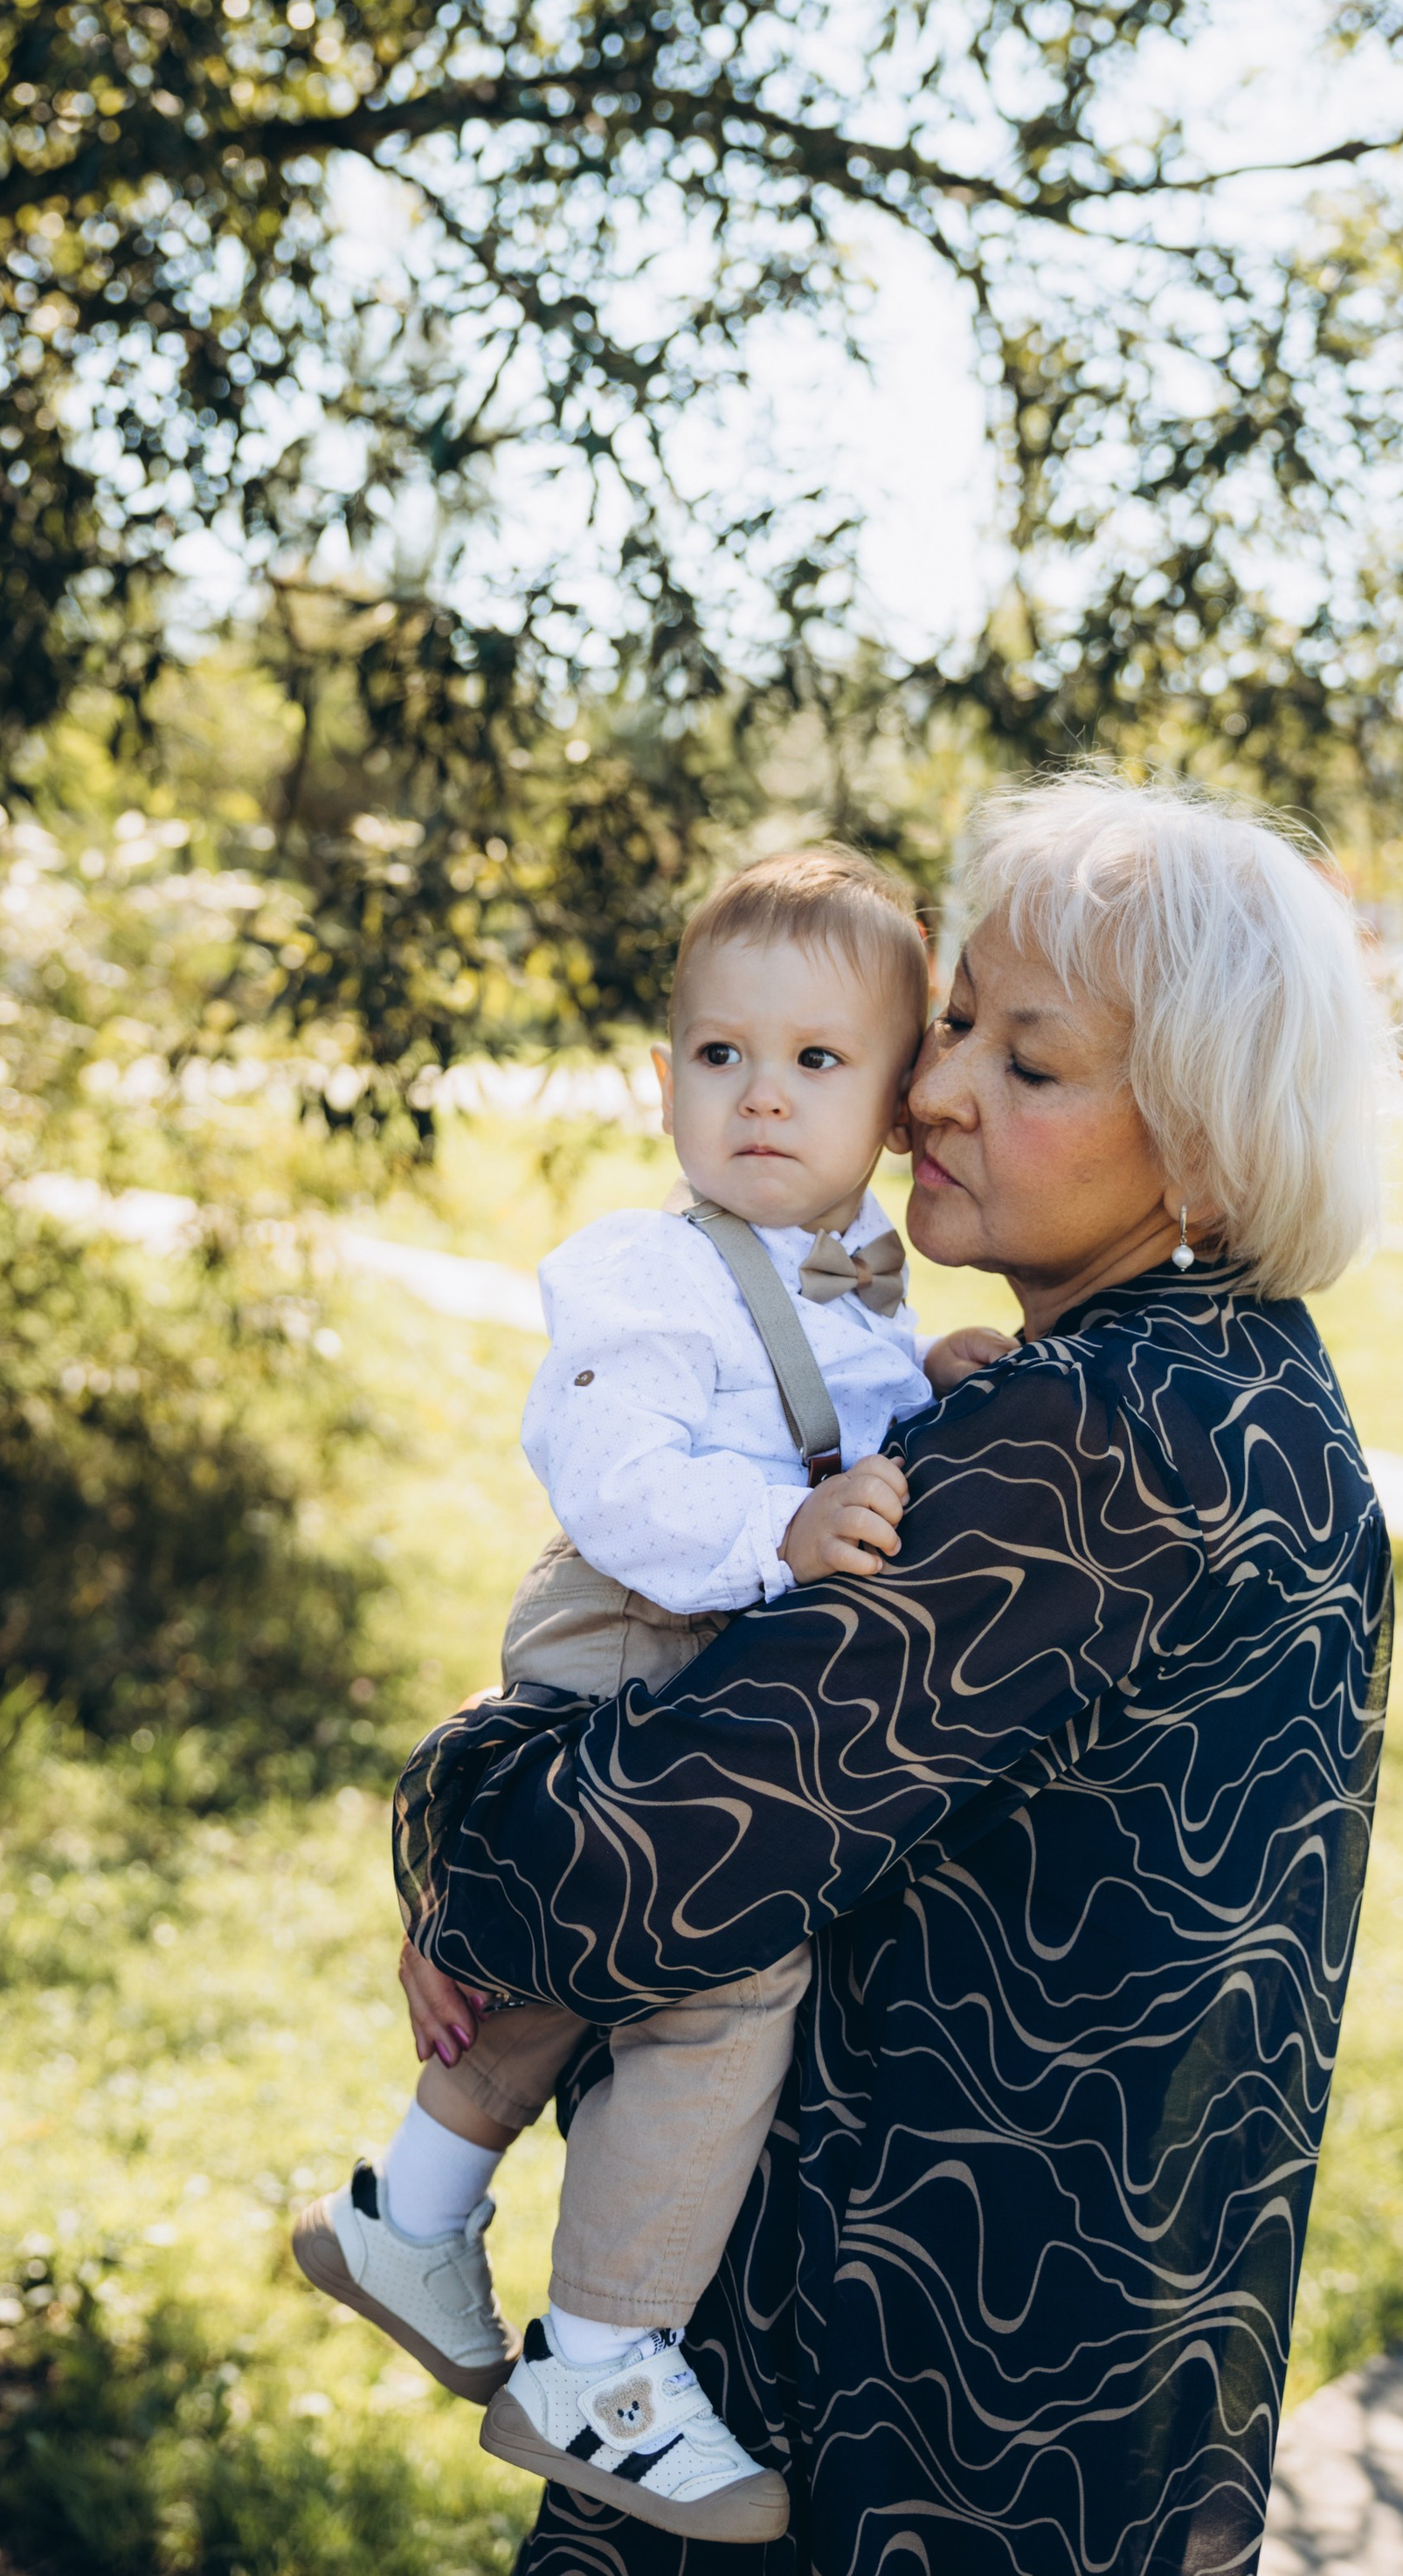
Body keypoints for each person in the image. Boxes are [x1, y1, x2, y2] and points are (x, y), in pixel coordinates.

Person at [393, 768, 1397, 2576]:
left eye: (1029, 1063)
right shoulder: (1249, 1392)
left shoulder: (1092, 1443)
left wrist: (463, 1826)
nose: (931, 1088)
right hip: (1089, 2395)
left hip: (894, 2416)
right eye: (953, 1022)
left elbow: (625, 1861)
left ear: (1204, 1149)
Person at [293, 847, 1007, 2543]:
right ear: (665, 1073)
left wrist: (926, 1388)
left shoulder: (854, 1271)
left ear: (895, 1105)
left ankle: (410, 2207)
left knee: (581, 1958)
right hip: (635, 1623)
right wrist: (777, 1535)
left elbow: (816, 1419)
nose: (760, 1095)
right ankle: (601, 2356)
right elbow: (615, 1477)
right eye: (719, 1054)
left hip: (694, 1636)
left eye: (816, 1060)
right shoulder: (647, 1267)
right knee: (719, 1975)